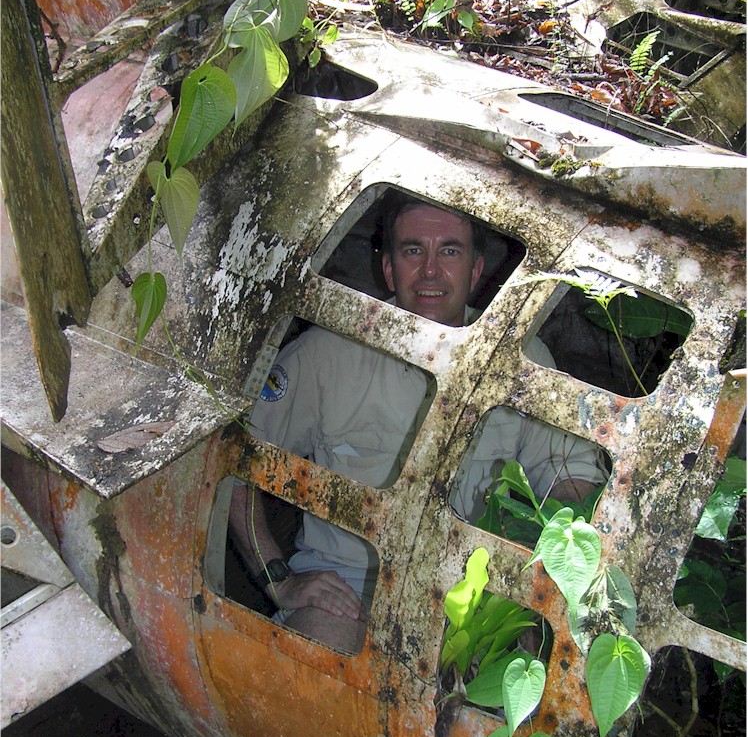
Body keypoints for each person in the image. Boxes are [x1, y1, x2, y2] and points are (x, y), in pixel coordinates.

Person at [229, 197, 606, 651]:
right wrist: (279, 580)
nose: (430, 271)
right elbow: (233, 455)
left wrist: (528, 586)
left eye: (449, 251)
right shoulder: (329, 351)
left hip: (469, 595)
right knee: (315, 656)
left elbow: (572, 477)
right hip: (348, 588)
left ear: (475, 270)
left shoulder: (519, 362)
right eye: (413, 251)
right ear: (389, 270)